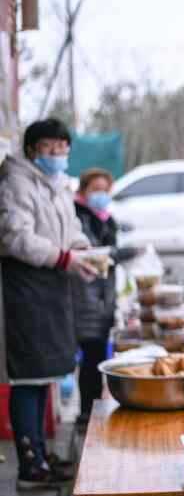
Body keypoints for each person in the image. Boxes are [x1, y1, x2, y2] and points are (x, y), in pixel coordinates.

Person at [0, 118, 98, 489]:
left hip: (52, 286)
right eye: (50, 149)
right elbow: (15, 237)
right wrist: (64, 258)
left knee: (45, 375)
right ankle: (30, 466)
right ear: (31, 150)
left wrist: (83, 251)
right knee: (28, 376)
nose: (58, 156)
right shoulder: (16, 182)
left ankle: (42, 453)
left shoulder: (55, 184)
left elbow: (70, 228)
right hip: (25, 287)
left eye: (63, 149)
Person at [72, 168, 139, 429]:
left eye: (105, 190)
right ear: (83, 191)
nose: (101, 195)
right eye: (95, 190)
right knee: (90, 358)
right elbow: (92, 255)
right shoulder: (79, 217)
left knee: (97, 355)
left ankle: (92, 411)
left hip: (103, 297)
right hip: (85, 296)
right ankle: (85, 414)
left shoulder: (105, 217)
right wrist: (122, 253)